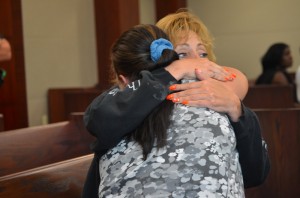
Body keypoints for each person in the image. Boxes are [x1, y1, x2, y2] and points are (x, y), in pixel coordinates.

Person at [82, 11, 270, 198]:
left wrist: (237, 109)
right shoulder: (127, 96)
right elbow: (99, 118)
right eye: (182, 54)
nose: (197, 61)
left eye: (203, 53)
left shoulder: (215, 97)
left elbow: (255, 173)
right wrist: (174, 71)